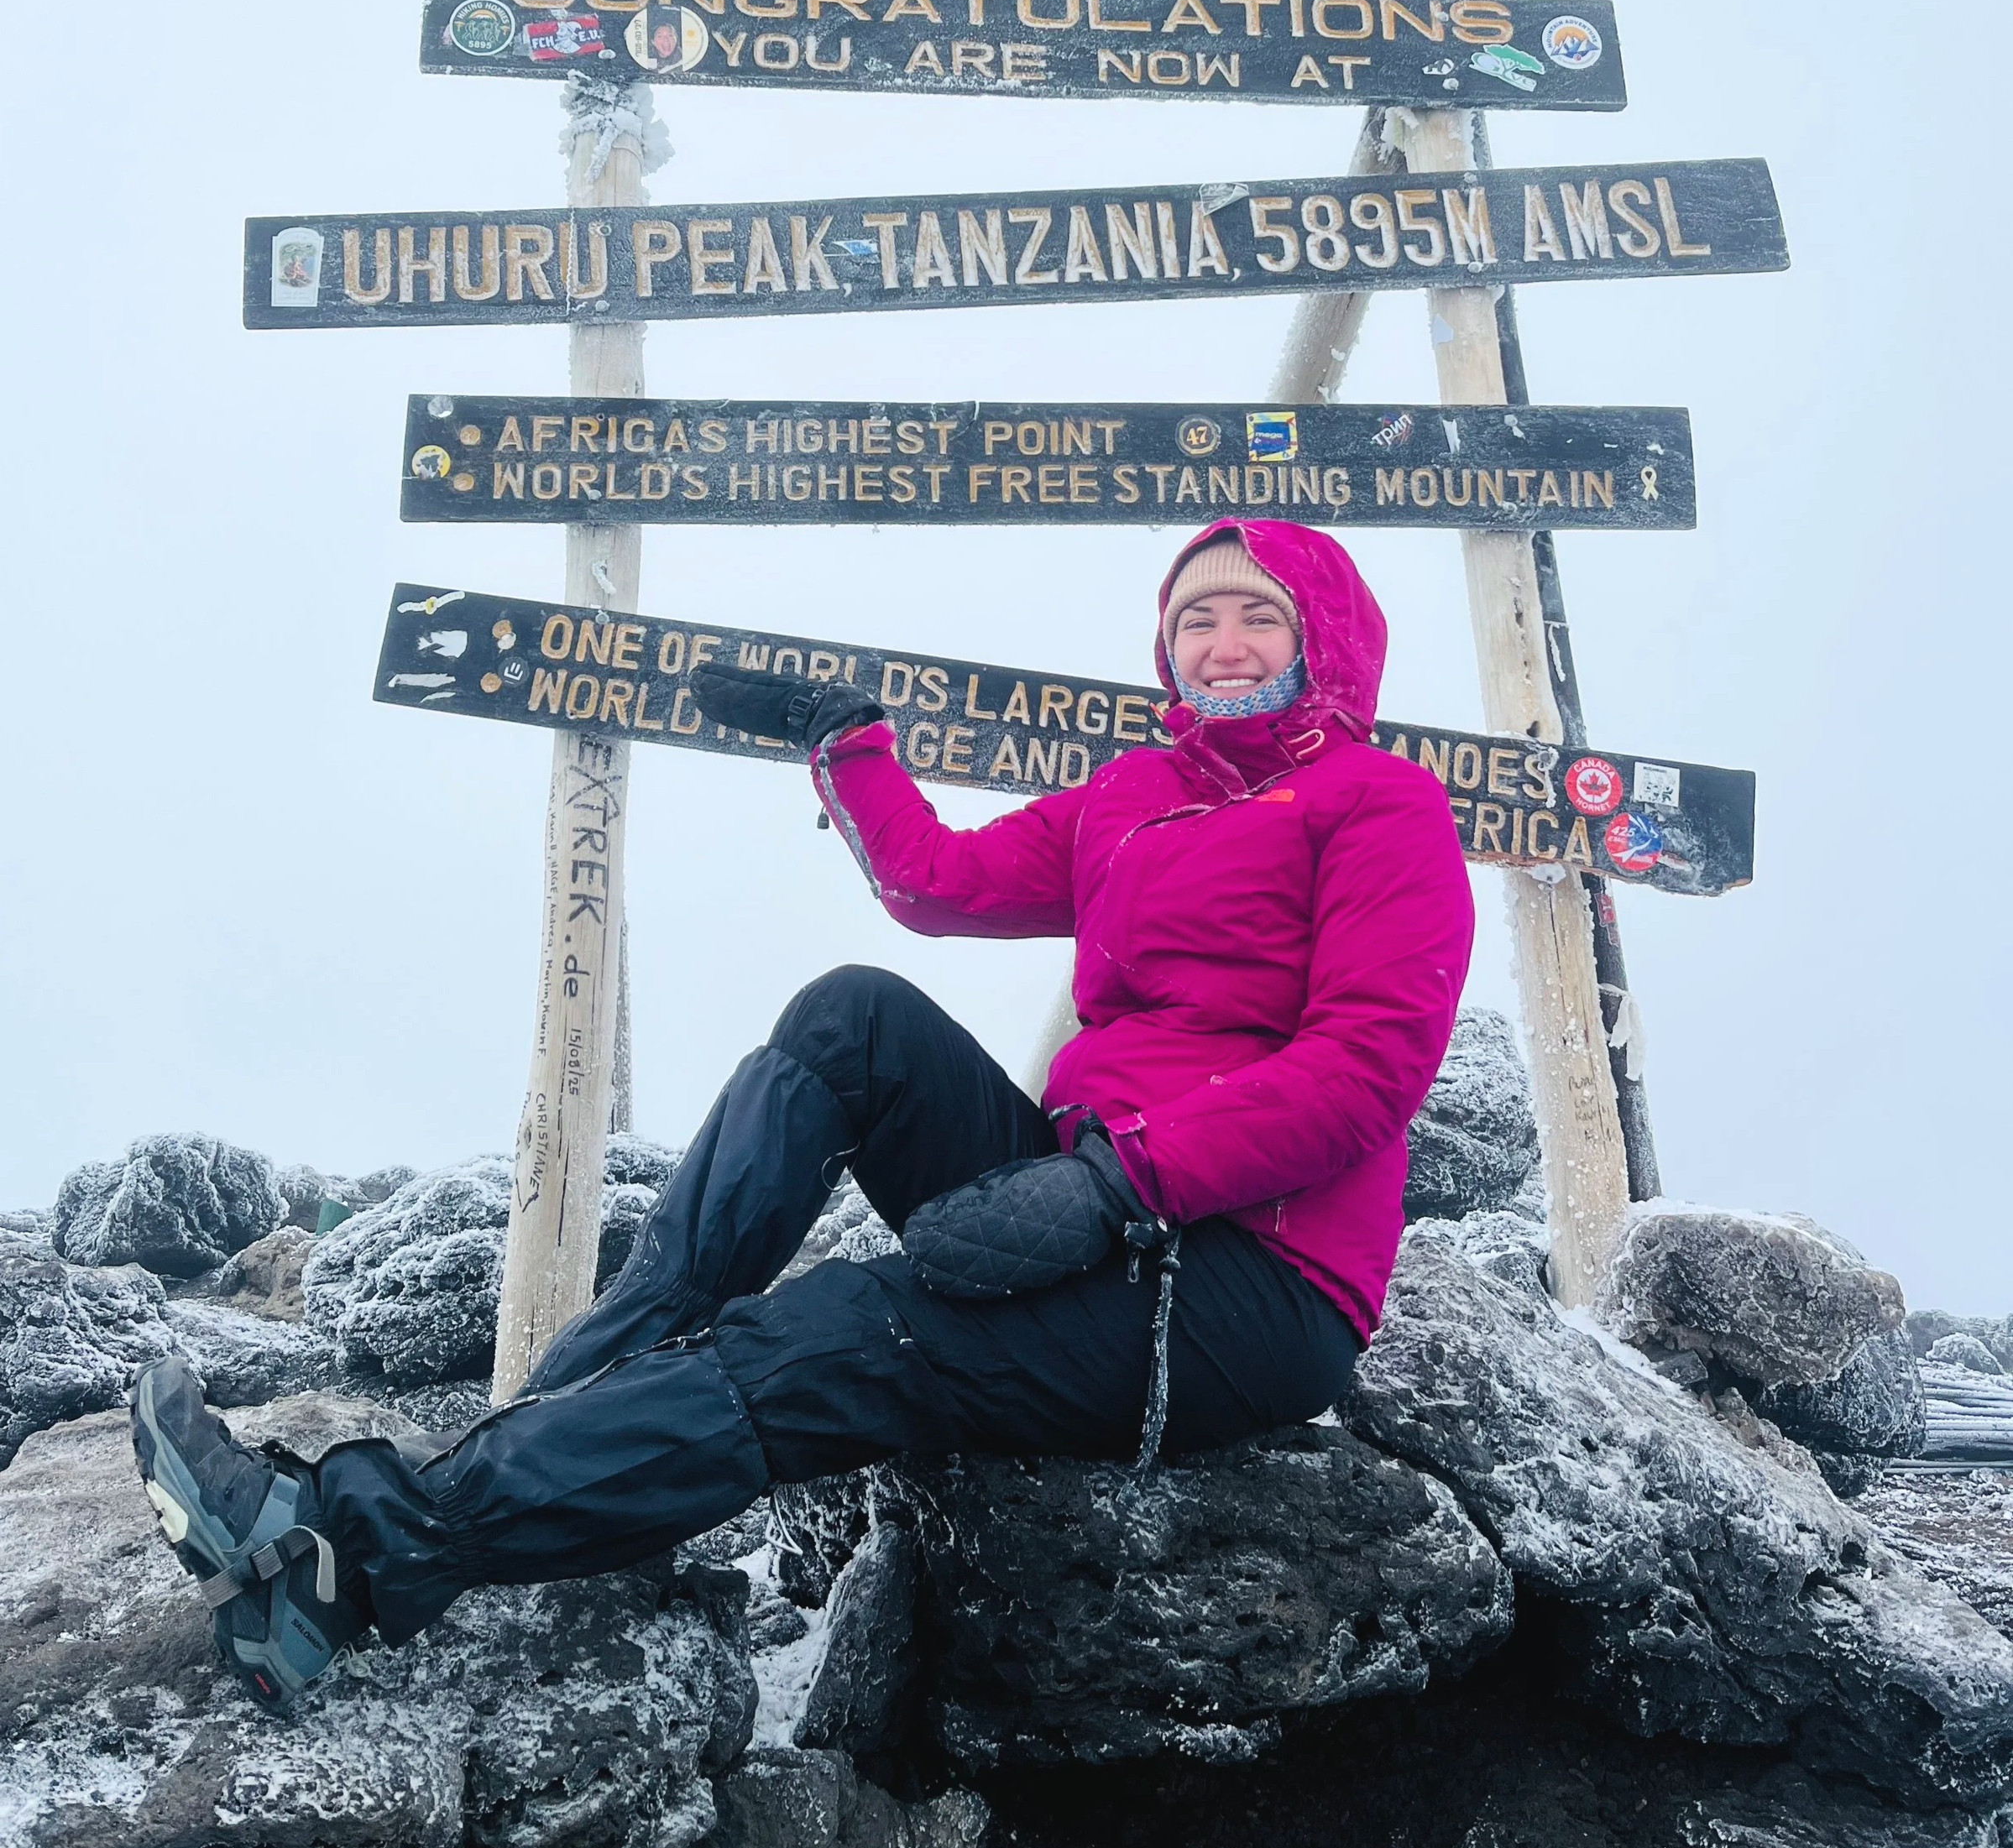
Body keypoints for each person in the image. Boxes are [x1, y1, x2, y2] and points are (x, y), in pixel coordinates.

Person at [131, 519, 1475, 1713]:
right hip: (1103, 1197)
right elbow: (936, 883)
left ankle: (350, 1558)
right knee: (853, 1016)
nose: (1223, 641)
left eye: (1258, 614)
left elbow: (1366, 1066)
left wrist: (1115, 1187)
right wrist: (846, 738)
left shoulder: (1378, 804)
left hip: (1251, 1280)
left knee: (848, 1330)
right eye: (1196, 615)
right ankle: (579, 1406)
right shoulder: (1132, 797)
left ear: (1323, 639)